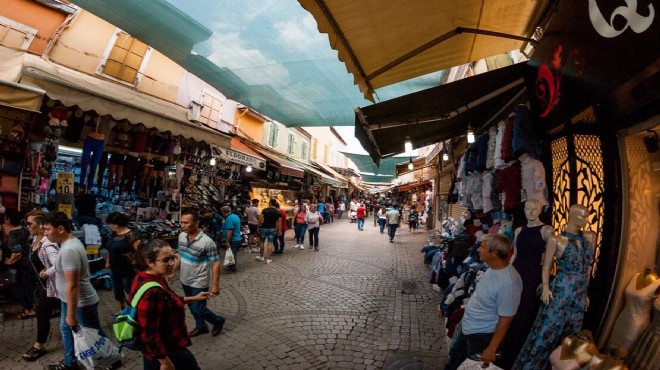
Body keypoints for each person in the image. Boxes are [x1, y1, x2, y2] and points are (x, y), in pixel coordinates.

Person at [513, 204, 596, 370]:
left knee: (572, 333)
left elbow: (587, 269)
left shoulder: (589, 238)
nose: (587, 220)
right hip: (561, 289)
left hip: (578, 293)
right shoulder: (555, 240)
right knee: (549, 328)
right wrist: (545, 287)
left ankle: (560, 364)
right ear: (573, 217)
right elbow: (546, 266)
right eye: (583, 216)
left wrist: (585, 293)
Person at [43, 211, 119, 370]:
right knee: (66, 330)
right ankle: (69, 363)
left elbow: (73, 285)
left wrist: (71, 314)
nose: (45, 233)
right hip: (69, 300)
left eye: (48, 229)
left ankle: (113, 357)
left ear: (61, 229)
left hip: (81, 303)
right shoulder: (66, 243)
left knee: (94, 332)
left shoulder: (69, 249)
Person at [444, 234, 523, 370]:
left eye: (482, 247)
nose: (478, 250)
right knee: (454, 360)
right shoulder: (493, 268)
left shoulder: (509, 283)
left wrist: (491, 348)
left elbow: (505, 320)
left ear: (494, 253)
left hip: (481, 335)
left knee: (471, 366)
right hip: (468, 326)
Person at [133, 239, 210, 370]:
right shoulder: (152, 291)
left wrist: (194, 298)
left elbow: (168, 302)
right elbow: (148, 333)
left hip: (163, 349)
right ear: (150, 262)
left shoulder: (150, 277)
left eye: (173, 258)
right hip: (167, 351)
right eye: (166, 260)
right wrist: (164, 361)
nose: (172, 263)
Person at [498, 199, 553, 369]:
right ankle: (505, 349)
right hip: (517, 273)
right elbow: (515, 255)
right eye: (527, 209)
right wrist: (506, 273)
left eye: (534, 209)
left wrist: (545, 284)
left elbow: (548, 261)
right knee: (511, 310)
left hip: (532, 276)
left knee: (525, 313)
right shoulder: (519, 230)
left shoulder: (546, 230)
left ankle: (518, 353)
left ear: (539, 210)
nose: (530, 212)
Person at [177, 209, 225, 337]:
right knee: (191, 306)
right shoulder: (181, 236)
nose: (182, 226)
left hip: (199, 281)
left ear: (196, 223)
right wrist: (172, 270)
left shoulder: (207, 242)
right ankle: (201, 326)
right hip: (184, 279)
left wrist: (215, 285)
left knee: (198, 308)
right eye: (181, 222)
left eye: (186, 223)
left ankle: (218, 320)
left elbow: (215, 263)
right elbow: (180, 255)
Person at [22, 210, 60, 362]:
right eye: (26, 224)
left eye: (30, 224)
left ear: (41, 224)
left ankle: (39, 345)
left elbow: (59, 263)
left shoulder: (48, 244)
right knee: (43, 314)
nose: (27, 227)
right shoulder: (34, 239)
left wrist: (46, 273)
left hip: (51, 287)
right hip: (41, 286)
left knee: (43, 314)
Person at [105, 212, 141, 317]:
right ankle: (121, 310)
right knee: (117, 289)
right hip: (114, 268)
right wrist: (108, 262)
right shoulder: (113, 235)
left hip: (127, 269)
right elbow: (110, 249)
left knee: (129, 289)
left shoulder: (131, 235)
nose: (109, 226)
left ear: (116, 224)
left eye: (110, 223)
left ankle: (134, 310)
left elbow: (138, 252)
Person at [1, 209, 35, 319]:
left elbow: (17, 253)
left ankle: (28, 309)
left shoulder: (12, 236)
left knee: (17, 287)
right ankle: (32, 307)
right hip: (28, 263)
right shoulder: (24, 230)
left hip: (18, 267)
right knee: (27, 287)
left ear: (9, 219)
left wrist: (8, 261)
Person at [256, 199, 281, 264]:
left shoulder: (265, 210)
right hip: (272, 229)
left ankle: (261, 256)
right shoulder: (278, 212)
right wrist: (278, 230)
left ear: (270, 203)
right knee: (270, 243)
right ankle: (269, 259)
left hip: (264, 228)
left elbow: (260, 219)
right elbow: (278, 222)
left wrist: (258, 227)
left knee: (262, 242)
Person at [220, 206, 242, 272]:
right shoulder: (235, 216)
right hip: (237, 238)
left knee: (232, 253)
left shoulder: (229, 218)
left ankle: (233, 268)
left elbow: (230, 231)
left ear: (223, 212)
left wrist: (227, 241)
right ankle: (231, 266)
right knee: (233, 253)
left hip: (233, 239)